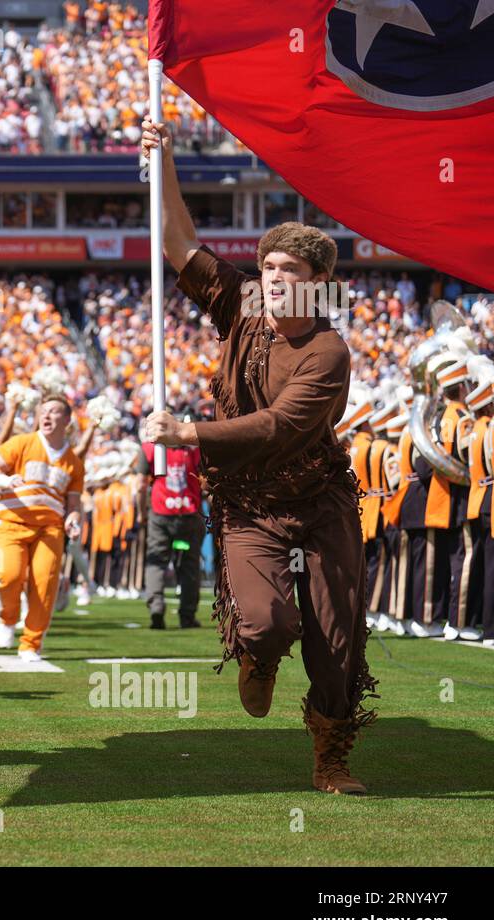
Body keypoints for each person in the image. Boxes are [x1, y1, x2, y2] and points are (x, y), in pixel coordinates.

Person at [140, 114, 376, 795]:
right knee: (268, 621)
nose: (272, 276)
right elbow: (179, 240)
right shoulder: (239, 306)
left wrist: (186, 434)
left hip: (322, 504)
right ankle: (258, 654)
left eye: (289, 269)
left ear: (318, 282)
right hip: (249, 507)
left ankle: (331, 757)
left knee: (338, 641)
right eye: (268, 265)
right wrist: (165, 162)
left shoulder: (329, 351)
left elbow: (277, 427)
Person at [0, 393, 84, 662]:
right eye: (44, 411)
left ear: (68, 420)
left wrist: (74, 519)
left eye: (54, 411)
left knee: (43, 585)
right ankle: (8, 617)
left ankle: (31, 643)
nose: (47, 415)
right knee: (9, 576)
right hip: (12, 523)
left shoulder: (73, 461)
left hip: (50, 529)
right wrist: (3, 481)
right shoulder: (22, 442)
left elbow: (74, 503)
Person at [139, 408, 205, 629]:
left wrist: (142, 511)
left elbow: (140, 485)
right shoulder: (194, 450)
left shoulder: (150, 448)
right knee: (188, 565)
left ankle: (156, 607)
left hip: (161, 514)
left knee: (157, 561)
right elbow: (207, 479)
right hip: (187, 513)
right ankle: (187, 615)